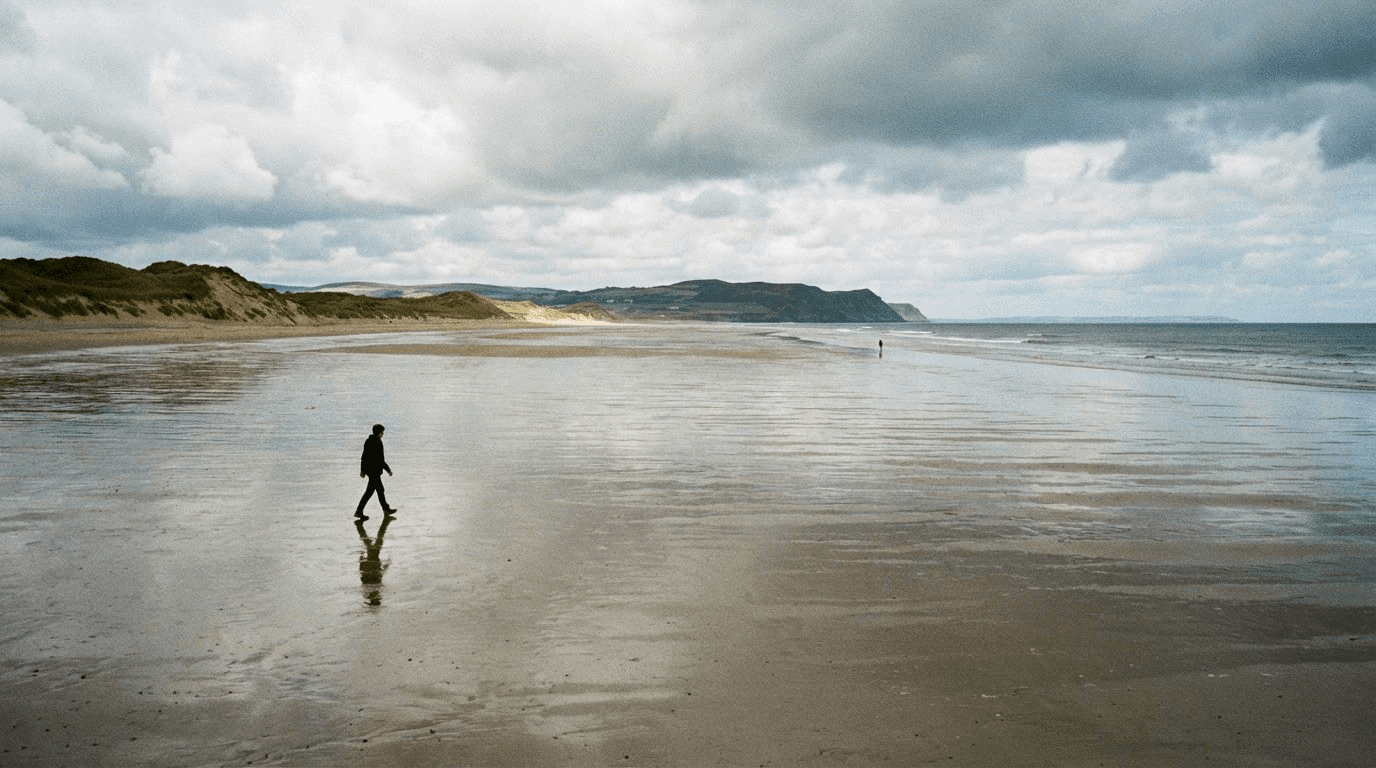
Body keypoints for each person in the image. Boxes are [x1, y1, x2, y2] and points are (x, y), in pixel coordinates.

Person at [356, 423, 395, 519]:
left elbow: (363, 457)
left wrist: (362, 470)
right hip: (374, 472)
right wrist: (388, 470)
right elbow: (380, 460)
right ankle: (359, 511)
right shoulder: (377, 442)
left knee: (380, 490)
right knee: (370, 492)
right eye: (382, 432)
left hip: (370, 471)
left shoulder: (368, 441)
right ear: (379, 433)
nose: (383, 434)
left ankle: (386, 509)